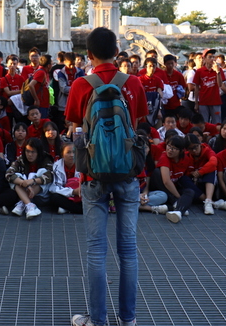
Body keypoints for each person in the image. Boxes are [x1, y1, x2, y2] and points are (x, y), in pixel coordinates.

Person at [66, 27, 146, 326]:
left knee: (96, 251)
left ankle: (97, 320)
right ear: (117, 51)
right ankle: (128, 319)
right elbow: (137, 123)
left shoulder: (81, 85)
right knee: (128, 250)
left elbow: (74, 129)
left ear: (89, 54)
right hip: (127, 174)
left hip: (93, 176)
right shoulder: (133, 83)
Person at [5, 137, 53, 219]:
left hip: (41, 194)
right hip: (24, 189)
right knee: (16, 177)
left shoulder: (46, 158)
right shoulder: (21, 159)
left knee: (42, 172)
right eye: (27, 151)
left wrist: (32, 181)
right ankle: (29, 204)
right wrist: (24, 183)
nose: (30, 154)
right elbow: (8, 173)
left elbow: (50, 175)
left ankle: (23, 202)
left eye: (33, 152)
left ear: (38, 152)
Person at [50, 142, 82, 214]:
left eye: (74, 152)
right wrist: (73, 192)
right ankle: (79, 209)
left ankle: (67, 208)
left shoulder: (82, 164)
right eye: (68, 152)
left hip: (79, 195)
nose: (72, 155)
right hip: (64, 194)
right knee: (54, 197)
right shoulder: (57, 166)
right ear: (62, 154)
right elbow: (55, 188)